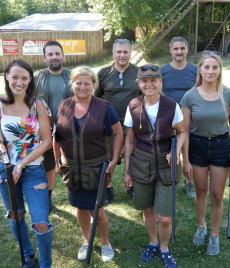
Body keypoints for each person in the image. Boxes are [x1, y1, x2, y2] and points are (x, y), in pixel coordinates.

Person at [0, 59, 53, 267]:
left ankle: (46, 264)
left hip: (33, 170)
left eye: (24, 78)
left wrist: (22, 163)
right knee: (16, 214)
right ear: (7, 76)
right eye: (15, 77)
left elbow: (47, 141)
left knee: (41, 223)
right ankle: (28, 256)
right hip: (4, 170)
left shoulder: (38, 105)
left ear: (30, 79)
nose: (19, 82)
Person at [53, 66, 122, 263]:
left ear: (93, 84)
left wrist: (115, 159)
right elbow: (56, 137)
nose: (82, 87)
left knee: (97, 210)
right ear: (72, 84)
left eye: (87, 83)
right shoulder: (62, 106)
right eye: (78, 82)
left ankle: (105, 242)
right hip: (71, 169)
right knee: (80, 208)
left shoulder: (104, 107)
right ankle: (86, 240)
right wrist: (57, 159)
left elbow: (118, 134)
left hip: (96, 169)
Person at [180, 51, 230, 256]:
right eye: (206, 67)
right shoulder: (189, 96)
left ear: (220, 70)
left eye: (215, 67)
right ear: (200, 69)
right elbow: (185, 131)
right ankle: (201, 226)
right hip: (197, 146)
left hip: (220, 146)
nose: (210, 71)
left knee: (216, 194)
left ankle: (214, 234)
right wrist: (185, 159)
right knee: (201, 191)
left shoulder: (229, 95)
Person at [123, 64, 185, 268]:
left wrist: (175, 152)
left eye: (153, 80)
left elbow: (182, 131)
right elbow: (129, 140)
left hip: (166, 165)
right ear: (139, 83)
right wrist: (127, 171)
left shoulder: (171, 105)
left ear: (160, 82)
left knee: (165, 217)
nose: (149, 84)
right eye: (144, 81)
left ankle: (165, 248)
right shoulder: (133, 105)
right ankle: (153, 242)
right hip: (141, 163)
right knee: (148, 209)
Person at [95, 38, 141, 202]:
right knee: (108, 156)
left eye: (125, 52)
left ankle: (133, 186)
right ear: (113, 53)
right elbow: (97, 97)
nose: (122, 55)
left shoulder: (138, 72)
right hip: (109, 123)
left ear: (130, 53)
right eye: (119, 52)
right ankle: (107, 188)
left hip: (134, 123)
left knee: (135, 156)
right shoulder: (103, 73)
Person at [35, 40, 74, 212]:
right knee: (49, 166)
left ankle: (77, 195)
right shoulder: (36, 78)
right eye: (50, 54)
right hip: (46, 132)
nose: (54, 57)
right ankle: (48, 200)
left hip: (72, 130)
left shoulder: (73, 77)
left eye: (57, 53)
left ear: (63, 56)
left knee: (73, 164)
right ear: (45, 58)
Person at [161, 36, 198, 198]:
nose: (179, 52)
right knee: (169, 151)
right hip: (168, 118)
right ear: (170, 51)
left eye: (182, 48)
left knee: (190, 151)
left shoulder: (195, 70)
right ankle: (168, 181)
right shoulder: (162, 71)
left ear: (187, 50)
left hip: (191, 117)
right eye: (176, 49)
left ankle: (189, 183)